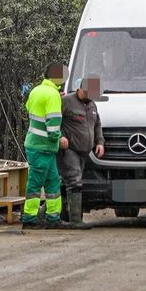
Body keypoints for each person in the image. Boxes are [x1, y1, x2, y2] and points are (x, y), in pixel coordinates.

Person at [22, 62, 67, 230]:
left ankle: (53, 217)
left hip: (35, 144)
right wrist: (58, 139)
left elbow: (30, 108)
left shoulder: (36, 90)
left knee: (52, 181)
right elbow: (53, 124)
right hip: (44, 146)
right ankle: (30, 217)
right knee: (36, 182)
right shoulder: (53, 95)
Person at [59, 75, 106, 229]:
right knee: (74, 181)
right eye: (85, 93)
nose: (88, 96)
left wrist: (100, 142)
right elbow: (52, 120)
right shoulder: (66, 101)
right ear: (79, 89)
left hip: (84, 152)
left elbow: (97, 124)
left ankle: (53, 214)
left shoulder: (92, 105)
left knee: (70, 182)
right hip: (69, 149)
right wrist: (60, 137)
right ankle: (75, 220)